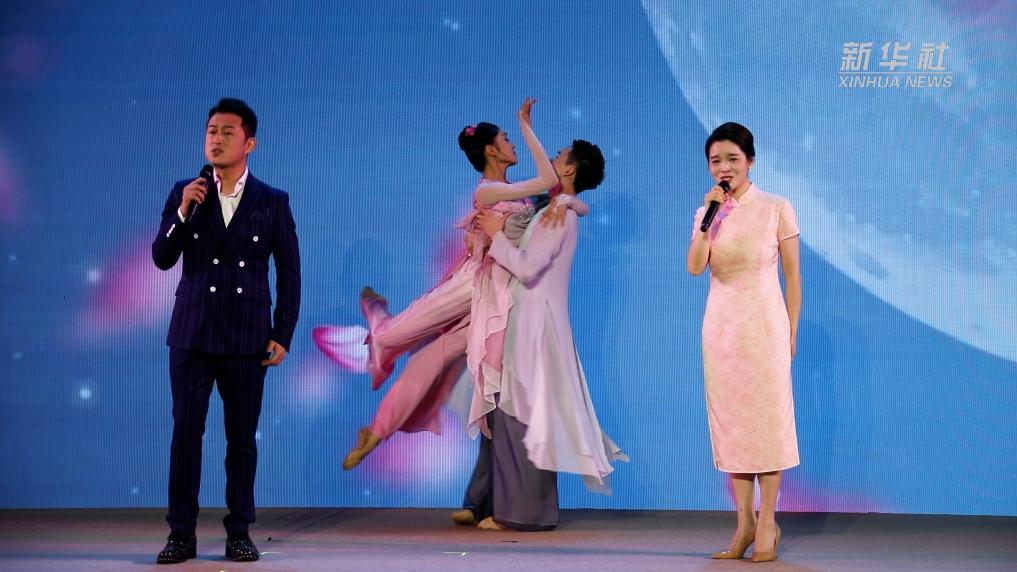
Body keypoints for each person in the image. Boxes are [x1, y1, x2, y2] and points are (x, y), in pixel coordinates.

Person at [342, 99, 587, 469]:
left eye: (512, 137)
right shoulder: (488, 191)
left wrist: (572, 203)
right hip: (470, 284)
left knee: (428, 361)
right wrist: (525, 124)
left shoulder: (522, 195)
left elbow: (562, 196)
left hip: (495, 300)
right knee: (392, 336)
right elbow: (548, 181)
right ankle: (378, 317)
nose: (513, 145)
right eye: (507, 139)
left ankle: (377, 431)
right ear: (491, 150)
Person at [151, 98, 300, 564]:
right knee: (186, 434)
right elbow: (161, 257)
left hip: (246, 337)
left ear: (249, 143)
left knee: (241, 440)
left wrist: (282, 333)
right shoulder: (186, 193)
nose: (216, 138)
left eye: (227, 132)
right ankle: (181, 534)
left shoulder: (272, 201)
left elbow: (289, 273)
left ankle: (239, 531)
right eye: (211, 130)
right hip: (192, 334)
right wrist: (182, 214)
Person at [452, 140, 626, 531]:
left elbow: (528, 268)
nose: (550, 159)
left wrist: (496, 236)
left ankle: (524, 513)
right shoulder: (553, 209)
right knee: (506, 411)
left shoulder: (559, 215)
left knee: (523, 415)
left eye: (558, 156)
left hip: (535, 327)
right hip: (523, 321)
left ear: (569, 170)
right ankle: (490, 503)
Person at [686, 122, 801, 563]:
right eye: (716, 161)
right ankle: (743, 523)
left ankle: (768, 521)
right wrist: (708, 222)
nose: (725, 167)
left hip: (765, 328)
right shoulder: (707, 212)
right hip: (722, 330)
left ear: (750, 161)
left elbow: (792, 276)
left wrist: (791, 330)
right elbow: (695, 267)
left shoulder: (775, 207)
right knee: (732, 427)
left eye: (733, 159)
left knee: (767, 424)